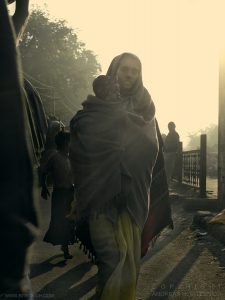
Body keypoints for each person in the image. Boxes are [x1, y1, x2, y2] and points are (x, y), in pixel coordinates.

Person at [69, 53, 173, 299]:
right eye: (125, 69)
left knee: (129, 267)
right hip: (99, 197)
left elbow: (153, 150)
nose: (129, 74)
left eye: (135, 71)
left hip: (134, 197)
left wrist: (126, 157)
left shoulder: (146, 109)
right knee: (112, 260)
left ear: (140, 75)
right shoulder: (95, 108)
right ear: (114, 71)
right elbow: (80, 148)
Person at [41, 131, 75, 259]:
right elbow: (43, 172)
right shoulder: (55, 158)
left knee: (71, 219)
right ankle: (65, 247)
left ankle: (65, 244)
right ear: (65, 143)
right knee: (61, 220)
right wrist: (44, 187)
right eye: (70, 142)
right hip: (60, 194)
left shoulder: (70, 157)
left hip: (70, 193)